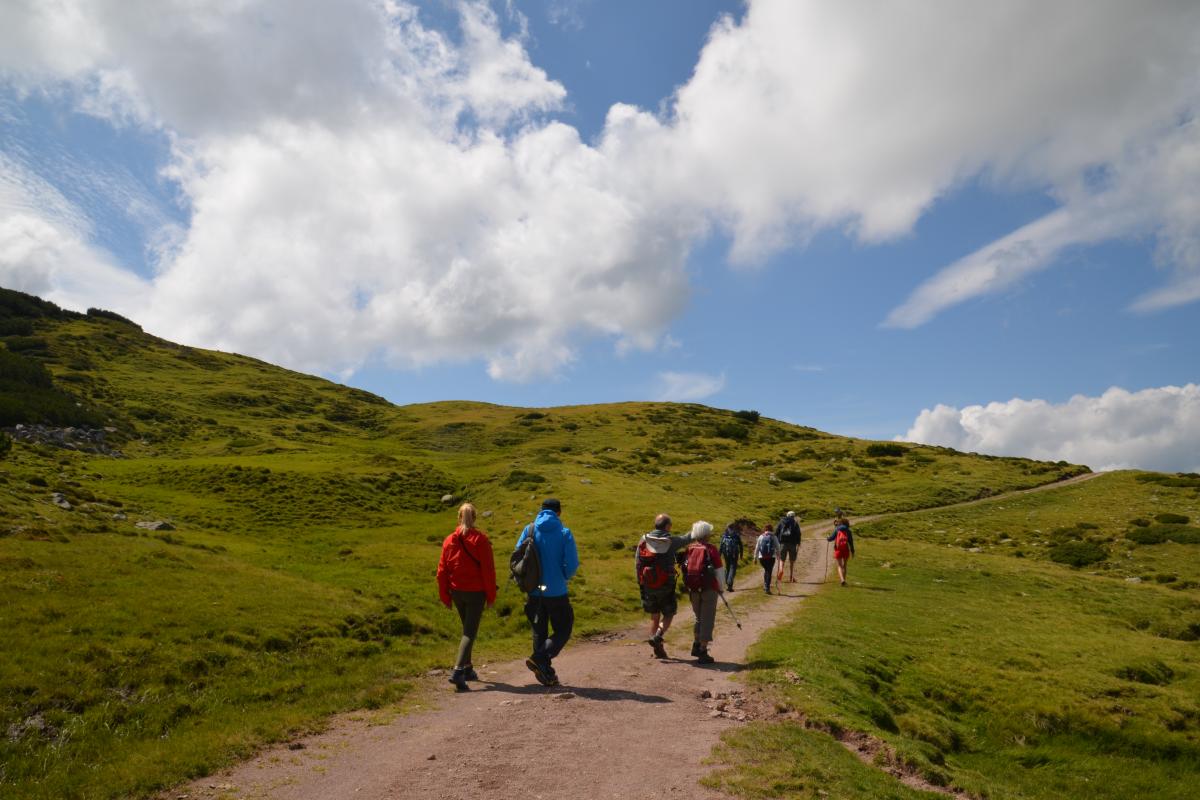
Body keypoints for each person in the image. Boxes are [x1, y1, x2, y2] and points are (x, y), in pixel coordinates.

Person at [515, 498, 579, 686]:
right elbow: (572, 564)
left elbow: (517, 555)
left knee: (538, 630)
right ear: (559, 512)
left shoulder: (529, 530)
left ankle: (545, 672)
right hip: (557, 591)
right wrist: (563, 576)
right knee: (563, 628)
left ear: (541, 511)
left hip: (534, 591)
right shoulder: (564, 532)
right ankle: (540, 659)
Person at [436, 502, 497, 692]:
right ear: (475, 518)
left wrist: (445, 596)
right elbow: (488, 571)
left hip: (457, 592)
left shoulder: (449, 540)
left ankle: (468, 669)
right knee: (469, 632)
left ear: (458, 517)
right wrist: (491, 595)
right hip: (475, 593)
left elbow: (442, 571)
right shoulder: (481, 540)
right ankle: (458, 671)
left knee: (466, 629)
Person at [635, 513, 701, 659]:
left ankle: (657, 646)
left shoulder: (643, 540)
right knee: (669, 613)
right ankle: (658, 636)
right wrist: (698, 527)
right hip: (666, 583)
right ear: (667, 526)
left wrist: (640, 582)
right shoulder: (670, 541)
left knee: (654, 615)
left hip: (647, 583)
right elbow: (687, 538)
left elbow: (637, 563)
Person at [683, 521, 724, 664]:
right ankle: (703, 650)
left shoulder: (690, 548)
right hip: (709, 588)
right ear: (706, 534)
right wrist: (721, 587)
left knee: (698, 618)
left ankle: (696, 644)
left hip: (693, 588)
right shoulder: (711, 549)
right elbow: (719, 570)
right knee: (707, 619)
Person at [827, 515, 856, 586]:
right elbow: (851, 542)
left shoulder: (837, 529)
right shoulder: (848, 531)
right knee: (845, 565)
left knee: (839, 565)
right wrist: (852, 551)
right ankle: (844, 581)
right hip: (846, 549)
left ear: (840, 523)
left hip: (838, 549)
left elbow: (830, 538)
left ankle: (842, 580)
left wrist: (827, 537)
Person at [775, 510, 802, 583]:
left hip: (782, 543)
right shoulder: (795, 523)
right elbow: (799, 533)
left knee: (781, 560)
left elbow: (776, 532)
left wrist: (777, 542)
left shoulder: (781, 522)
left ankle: (780, 570)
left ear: (787, 515)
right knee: (792, 561)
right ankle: (791, 577)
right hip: (792, 544)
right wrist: (798, 542)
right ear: (793, 516)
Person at [718, 521, 745, 592]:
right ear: (733, 527)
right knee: (733, 568)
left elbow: (721, 546)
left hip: (725, 554)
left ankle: (728, 583)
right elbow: (740, 545)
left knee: (727, 567)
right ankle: (729, 583)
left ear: (727, 527)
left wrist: (719, 555)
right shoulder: (736, 535)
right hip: (734, 554)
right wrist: (741, 554)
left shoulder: (724, 535)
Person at [754, 523, 781, 594]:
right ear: (772, 529)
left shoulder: (761, 536)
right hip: (771, 557)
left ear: (765, 529)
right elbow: (778, 547)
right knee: (769, 571)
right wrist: (779, 556)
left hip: (762, 557)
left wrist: (755, 558)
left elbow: (757, 547)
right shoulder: (774, 537)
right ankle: (767, 588)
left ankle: (765, 585)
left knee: (766, 570)